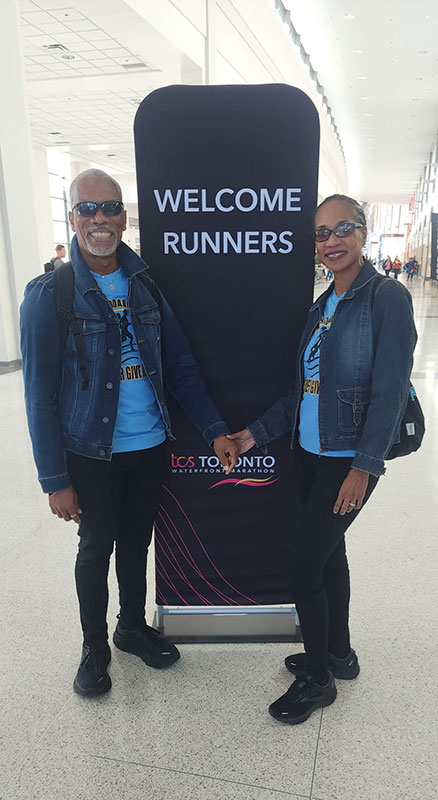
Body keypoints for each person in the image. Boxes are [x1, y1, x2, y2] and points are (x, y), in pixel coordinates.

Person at [21, 169, 240, 698]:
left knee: (137, 542)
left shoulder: (144, 283)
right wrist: (55, 479)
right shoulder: (49, 295)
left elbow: (181, 368)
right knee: (96, 548)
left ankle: (131, 626)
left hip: (149, 445)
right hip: (92, 452)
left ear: (123, 216)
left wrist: (214, 430)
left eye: (110, 207)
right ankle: (94, 646)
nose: (100, 219)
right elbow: (38, 395)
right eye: (88, 209)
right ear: (72, 218)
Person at [228, 194, 416, 725]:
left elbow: (390, 393)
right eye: (321, 233)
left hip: (345, 457)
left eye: (342, 229)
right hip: (308, 453)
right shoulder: (321, 305)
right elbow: (301, 392)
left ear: (363, 233)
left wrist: (365, 466)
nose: (331, 240)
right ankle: (338, 653)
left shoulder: (386, 299)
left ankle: (316, 679)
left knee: (302, 565)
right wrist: (251, 437)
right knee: (330, 556)